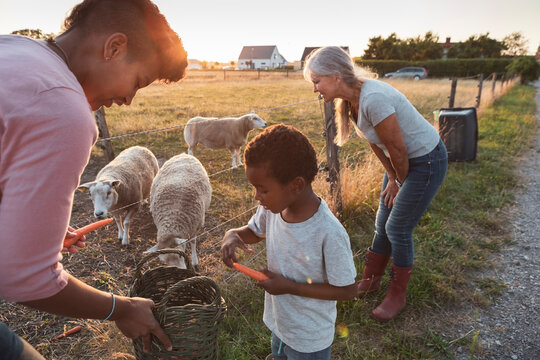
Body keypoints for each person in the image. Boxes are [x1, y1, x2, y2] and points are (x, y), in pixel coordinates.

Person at [0, 0, 188, 358]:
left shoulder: (12, 49)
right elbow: (27, 278)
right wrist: (123, 308)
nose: (128, 99)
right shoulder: (61, 110)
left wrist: (30, 228)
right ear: (114, 47)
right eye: (138, 81)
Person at [304, 46, 448, 322]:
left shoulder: (374, 98)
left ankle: (397, 295)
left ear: (335, 76)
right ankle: (371, 280)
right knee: (382, 224)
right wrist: (391, 177)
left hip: (426, 161)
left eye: (316, 81)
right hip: (401, 161)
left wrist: (400, 182)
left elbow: (399, 149)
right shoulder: (349, 100)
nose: (315, 89)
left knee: (398, 227)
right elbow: (376, 142)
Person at [221, 124, 357, 360]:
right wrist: (233, 234)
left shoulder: (328, 231)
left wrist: (290, 287)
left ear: (296, 185)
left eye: (262, 190)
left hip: (309, 338)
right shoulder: (273, 209)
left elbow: (348, 289)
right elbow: (255, 231)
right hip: (281, 324)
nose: (256, 196)